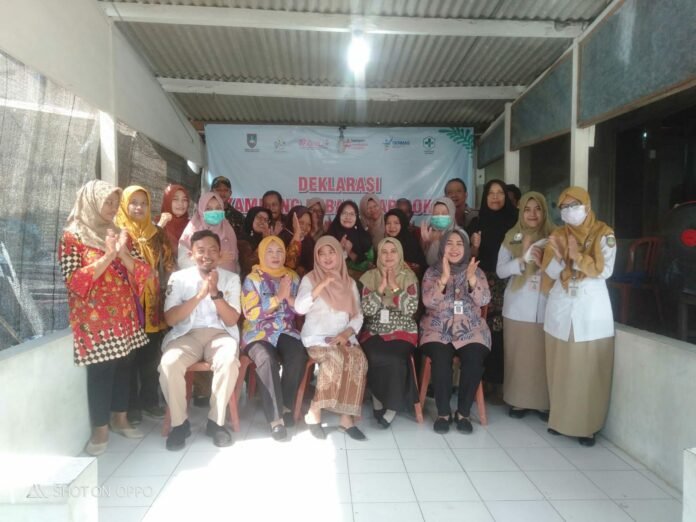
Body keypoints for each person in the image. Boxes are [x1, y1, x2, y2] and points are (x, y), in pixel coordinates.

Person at [59, 180, 150, 456]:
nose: (112, 207)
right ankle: (100, 430)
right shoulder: (72, 237)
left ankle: (120, 418)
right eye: (106, 202)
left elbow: (143, 272)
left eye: (114, 202)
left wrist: (122, 253)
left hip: (124, 314)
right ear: (91, 201)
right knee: (101, 371)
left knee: (124, 365)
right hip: (94, 320)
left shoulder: (121, 234)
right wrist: (108, 256)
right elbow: (74, 281)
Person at [542, 187, 616, 447]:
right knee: (560, 367)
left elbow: (605, 270)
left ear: (587, 205)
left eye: (575, 205)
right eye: (564, 207)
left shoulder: (604, 233)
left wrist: (576, 257)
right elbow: (549, 273)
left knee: (587, 370)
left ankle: (586, 426)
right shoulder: (558, 235)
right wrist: (560, 258)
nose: (569, 211)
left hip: (590, 310)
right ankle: (559, 420)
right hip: (561, 307)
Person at [159, 230, 242, 451]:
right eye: (201, 250)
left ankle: (216, 422)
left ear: (220, 254)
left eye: (213, 250)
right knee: (169, 363)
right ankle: (179, 424)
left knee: (228, 360)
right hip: (187, 335)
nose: (207, 255)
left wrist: (214, 293)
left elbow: (231, 319)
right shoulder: (179, 278)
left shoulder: (231, 279)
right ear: (191, 254)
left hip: (220, 334)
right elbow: (171, 319)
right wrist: (199, 296)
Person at [294, 236, 368, 441]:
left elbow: (358, 315)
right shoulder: (310, 279)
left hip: (342, 336)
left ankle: (345, 418)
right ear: (316, 257)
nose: (327, 257)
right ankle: (314, 411)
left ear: (339, 254)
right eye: (321, 253)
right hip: (317, 337)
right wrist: (322, 284)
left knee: (358, 360)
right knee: (335, 359)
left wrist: (347, 333)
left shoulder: (349, 282)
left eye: (331, 252)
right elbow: (299, 308)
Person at [419, 229, 491, 434]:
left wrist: (472, 280)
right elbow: (428, 302)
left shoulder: (476, 271)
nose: (454, 248)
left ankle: (463, 413)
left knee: (474, 358)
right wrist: (443, 280)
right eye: (449, 243)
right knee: (441, 358)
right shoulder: (432, 272)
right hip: (437, 328)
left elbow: (484, 300)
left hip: (470, 328)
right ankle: (443, 413)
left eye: (459, 244)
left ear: (466, 248)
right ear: (442, 247)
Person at [115, 186, 175, 424]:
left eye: (143, 203)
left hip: (153, 304)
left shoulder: (157, 234)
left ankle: (149, 401)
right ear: (124, 205)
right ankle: (131, 407)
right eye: (133, 202)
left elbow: (169, 265)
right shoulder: (117, 234)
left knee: (150, 357)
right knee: (128, 359)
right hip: (127, 305)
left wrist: (169, 289)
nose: (139, 207)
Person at [241, 236, 308, 441]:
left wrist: (289, 298)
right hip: (257, 331)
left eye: (279, 251)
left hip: (284, 329)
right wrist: (278, 297)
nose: (275, 256)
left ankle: (285, 405)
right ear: (262, 254)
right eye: (270, 251)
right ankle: (275, 419)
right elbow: (250, 313)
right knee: (266, 359)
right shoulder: (252, 279)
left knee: (298, 354)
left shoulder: (292, 277)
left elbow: (300, 309)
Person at [496, 192, 555, 419]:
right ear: (521, 212)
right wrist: (521, 259)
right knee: (518, 357)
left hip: (547, 303)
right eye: (528, 209)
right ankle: (518, 401)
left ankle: (542, 403)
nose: (532, 214)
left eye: (537, 209)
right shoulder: (512, 237)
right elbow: (501, 270)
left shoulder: (555, 236)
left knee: (542, 358)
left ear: (544, 211)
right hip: (518, 305)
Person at [359, 238, 420, 428]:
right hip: (375, 328)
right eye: (384, 252)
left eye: (393, 251)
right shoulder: (370, 277)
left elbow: (410, 309)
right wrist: (380, 289)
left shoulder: (409, 277)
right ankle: (377, 398)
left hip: (403, 329)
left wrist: (393, 286)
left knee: (394, 357)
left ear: (399, 254)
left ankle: (392, 407)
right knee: (374, 354)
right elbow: (367, 310)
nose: (388, 256)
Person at [470, 179, 517, 400]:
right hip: (482, 281)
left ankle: (499, 382)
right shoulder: (477, 222)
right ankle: (483, 381)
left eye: (500, 193)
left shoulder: (515, 222)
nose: (495, 197)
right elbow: (470, 257)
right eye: (491, 193)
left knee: (500, 332)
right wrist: (475, 246)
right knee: (482, 329)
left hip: (507, 282)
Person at [179, 192, 239, 273]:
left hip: (228, 279)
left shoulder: (228, 230)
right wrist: (216, 262)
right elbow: (183, 262)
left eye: (218, 208)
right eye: (208, 209)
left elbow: (235, 261)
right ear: (201, 210)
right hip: (198, 279)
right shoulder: (191, 232)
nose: (214, 212)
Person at [327, 200, 374, 279]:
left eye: (352, 214)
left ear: (356, 217)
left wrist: (350, 253)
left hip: (360, 282)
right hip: (334, 281)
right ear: (339, 215)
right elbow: (323, 264)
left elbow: (369, 266)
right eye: (344, 213)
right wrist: (340, 250)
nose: (348, 217)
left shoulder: (364, 237)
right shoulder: (329, 237)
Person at [384, 208, 427, 278]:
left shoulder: (411, 243)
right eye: (388, 223)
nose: (392, 226)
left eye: (396, 223)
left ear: (402, 224)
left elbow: (420, 268)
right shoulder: (384, 243)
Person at [420, 197, 458, 267]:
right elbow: (425, 259)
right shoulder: (429, 231)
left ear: (452, 213)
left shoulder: (460, 234)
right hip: (431, 271)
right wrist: (426, 242)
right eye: (436, 213)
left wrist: (440, 238)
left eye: (444, 214)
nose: (440, 216)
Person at [156, 184, 190, 260]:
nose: (180, 203)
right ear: (167, 201)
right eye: (175, 199)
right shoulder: (158, 223)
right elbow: (150, 247)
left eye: (184, 200)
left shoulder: (192, 226)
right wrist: (160, 225)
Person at [278, 205, 315, 276]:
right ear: (292, 222)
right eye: (301, 223)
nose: (305, 227)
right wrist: (297, 233)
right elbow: (290, 265)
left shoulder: (310, 241)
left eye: (309, 225)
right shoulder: (281, 239)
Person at [237, 206, 272, 279]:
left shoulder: (269, 239)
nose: (262, 222)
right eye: (259, 218)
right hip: (248, 280)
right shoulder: (242, 240)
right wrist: (264, 241)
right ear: (251, 218)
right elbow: (249, 265)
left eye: (266, 220)